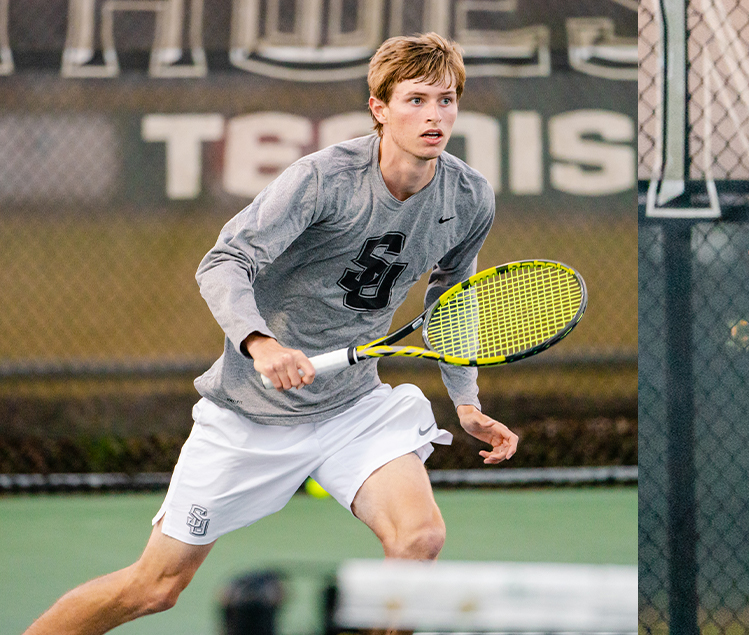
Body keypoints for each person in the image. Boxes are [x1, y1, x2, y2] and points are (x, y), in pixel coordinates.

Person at [25, 32, 518, 634]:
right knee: (153, 589)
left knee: (419, 539)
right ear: (379, 107)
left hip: (353, 408)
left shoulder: (468, 197)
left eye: (445, 100)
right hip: (249, 415)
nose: (434, 115)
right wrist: (262, 343)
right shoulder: (321, 179)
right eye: (415, 100)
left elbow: (454, 298)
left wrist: (465, 401)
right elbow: (224, 261)